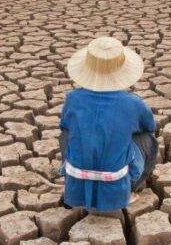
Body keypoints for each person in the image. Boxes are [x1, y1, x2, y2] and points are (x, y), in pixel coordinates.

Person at [60, 36, 158, 212]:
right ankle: (131, 188)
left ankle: (73, 186)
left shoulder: (72, 99)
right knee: (147, 139)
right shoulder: (133, 104)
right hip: (116, 186)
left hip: (76, 184)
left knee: (67, 133)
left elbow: (65, 125)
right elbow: (149, 127)